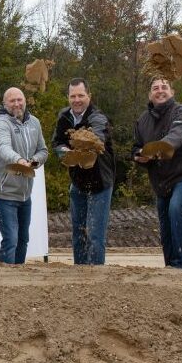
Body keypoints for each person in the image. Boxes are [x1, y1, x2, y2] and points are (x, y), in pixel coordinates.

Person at [132, 78, 182, 270]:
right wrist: (139, 156)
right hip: (162, 183)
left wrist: (159, 148)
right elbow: (136, 148)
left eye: (164, 87)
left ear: (172, 92)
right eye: (155, 88)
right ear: (150, 94)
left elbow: (178, 134)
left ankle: (181, 266)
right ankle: (170, 268)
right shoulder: (142, 121)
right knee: (165, 225)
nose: (160, 90)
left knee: (176, 207)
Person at [51, 78, 115, 265]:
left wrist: (87, 143)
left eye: (81, 95)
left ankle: (95, 276)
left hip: (100, 182)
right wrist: (64, 151)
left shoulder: (97, 117)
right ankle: (79, 273)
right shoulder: (64, 117)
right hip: (77, 182)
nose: (77, 100)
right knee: (78, 232)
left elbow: (98, 135)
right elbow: (57, 142)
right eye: (73, 96)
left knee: (95, 234)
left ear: (89, 96)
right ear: (68, 97)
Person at [0, 87, 48, 264]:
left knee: (23, 239)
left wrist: (35, 161)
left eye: (19, 99)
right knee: (11, 240)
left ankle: (19, 275)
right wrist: (19, 160)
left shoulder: (34, 123)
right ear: (4, 103)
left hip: (25, 193)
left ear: (24, 101)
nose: (16, 103)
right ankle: (5, 278)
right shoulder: (0, 124)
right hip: (4, 191)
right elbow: (3, 147)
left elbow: (43, 150)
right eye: (12, 100)